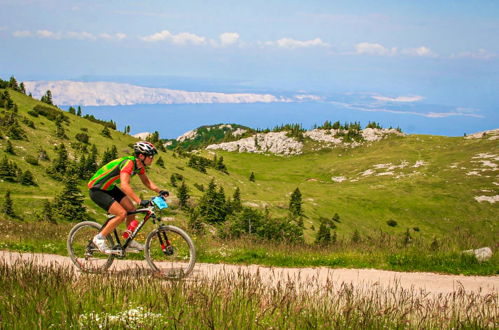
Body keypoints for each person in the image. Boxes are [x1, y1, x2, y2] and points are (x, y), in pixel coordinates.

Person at [88, 141, 169, 254]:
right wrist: (139, 201)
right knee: (122, 213)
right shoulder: (129, 163)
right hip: (97, 189)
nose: (152, 158)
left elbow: (146, 182)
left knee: (131, 209)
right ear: (141, 156)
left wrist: (159, 190)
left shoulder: (139, 166)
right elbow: (124, 185)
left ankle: (128, 240)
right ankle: (99, 238)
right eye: (150, 156)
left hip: (109, 187)